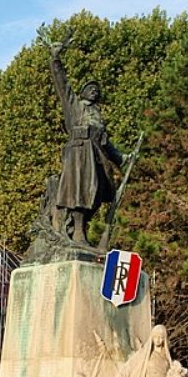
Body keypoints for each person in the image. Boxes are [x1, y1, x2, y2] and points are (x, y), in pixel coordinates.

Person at [49, 39, 125, 245]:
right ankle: (79, 233)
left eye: (96, 89)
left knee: (99, 193)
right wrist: (55, 59)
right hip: (79, 155)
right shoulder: (75, 106)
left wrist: (122, 158)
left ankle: (81, 230)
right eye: (90, 88)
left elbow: (106, 142)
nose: (94, 90)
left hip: (97, 156)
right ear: (82, 92)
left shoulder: (97, 114)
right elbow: (62, 85)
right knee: (80, 193)